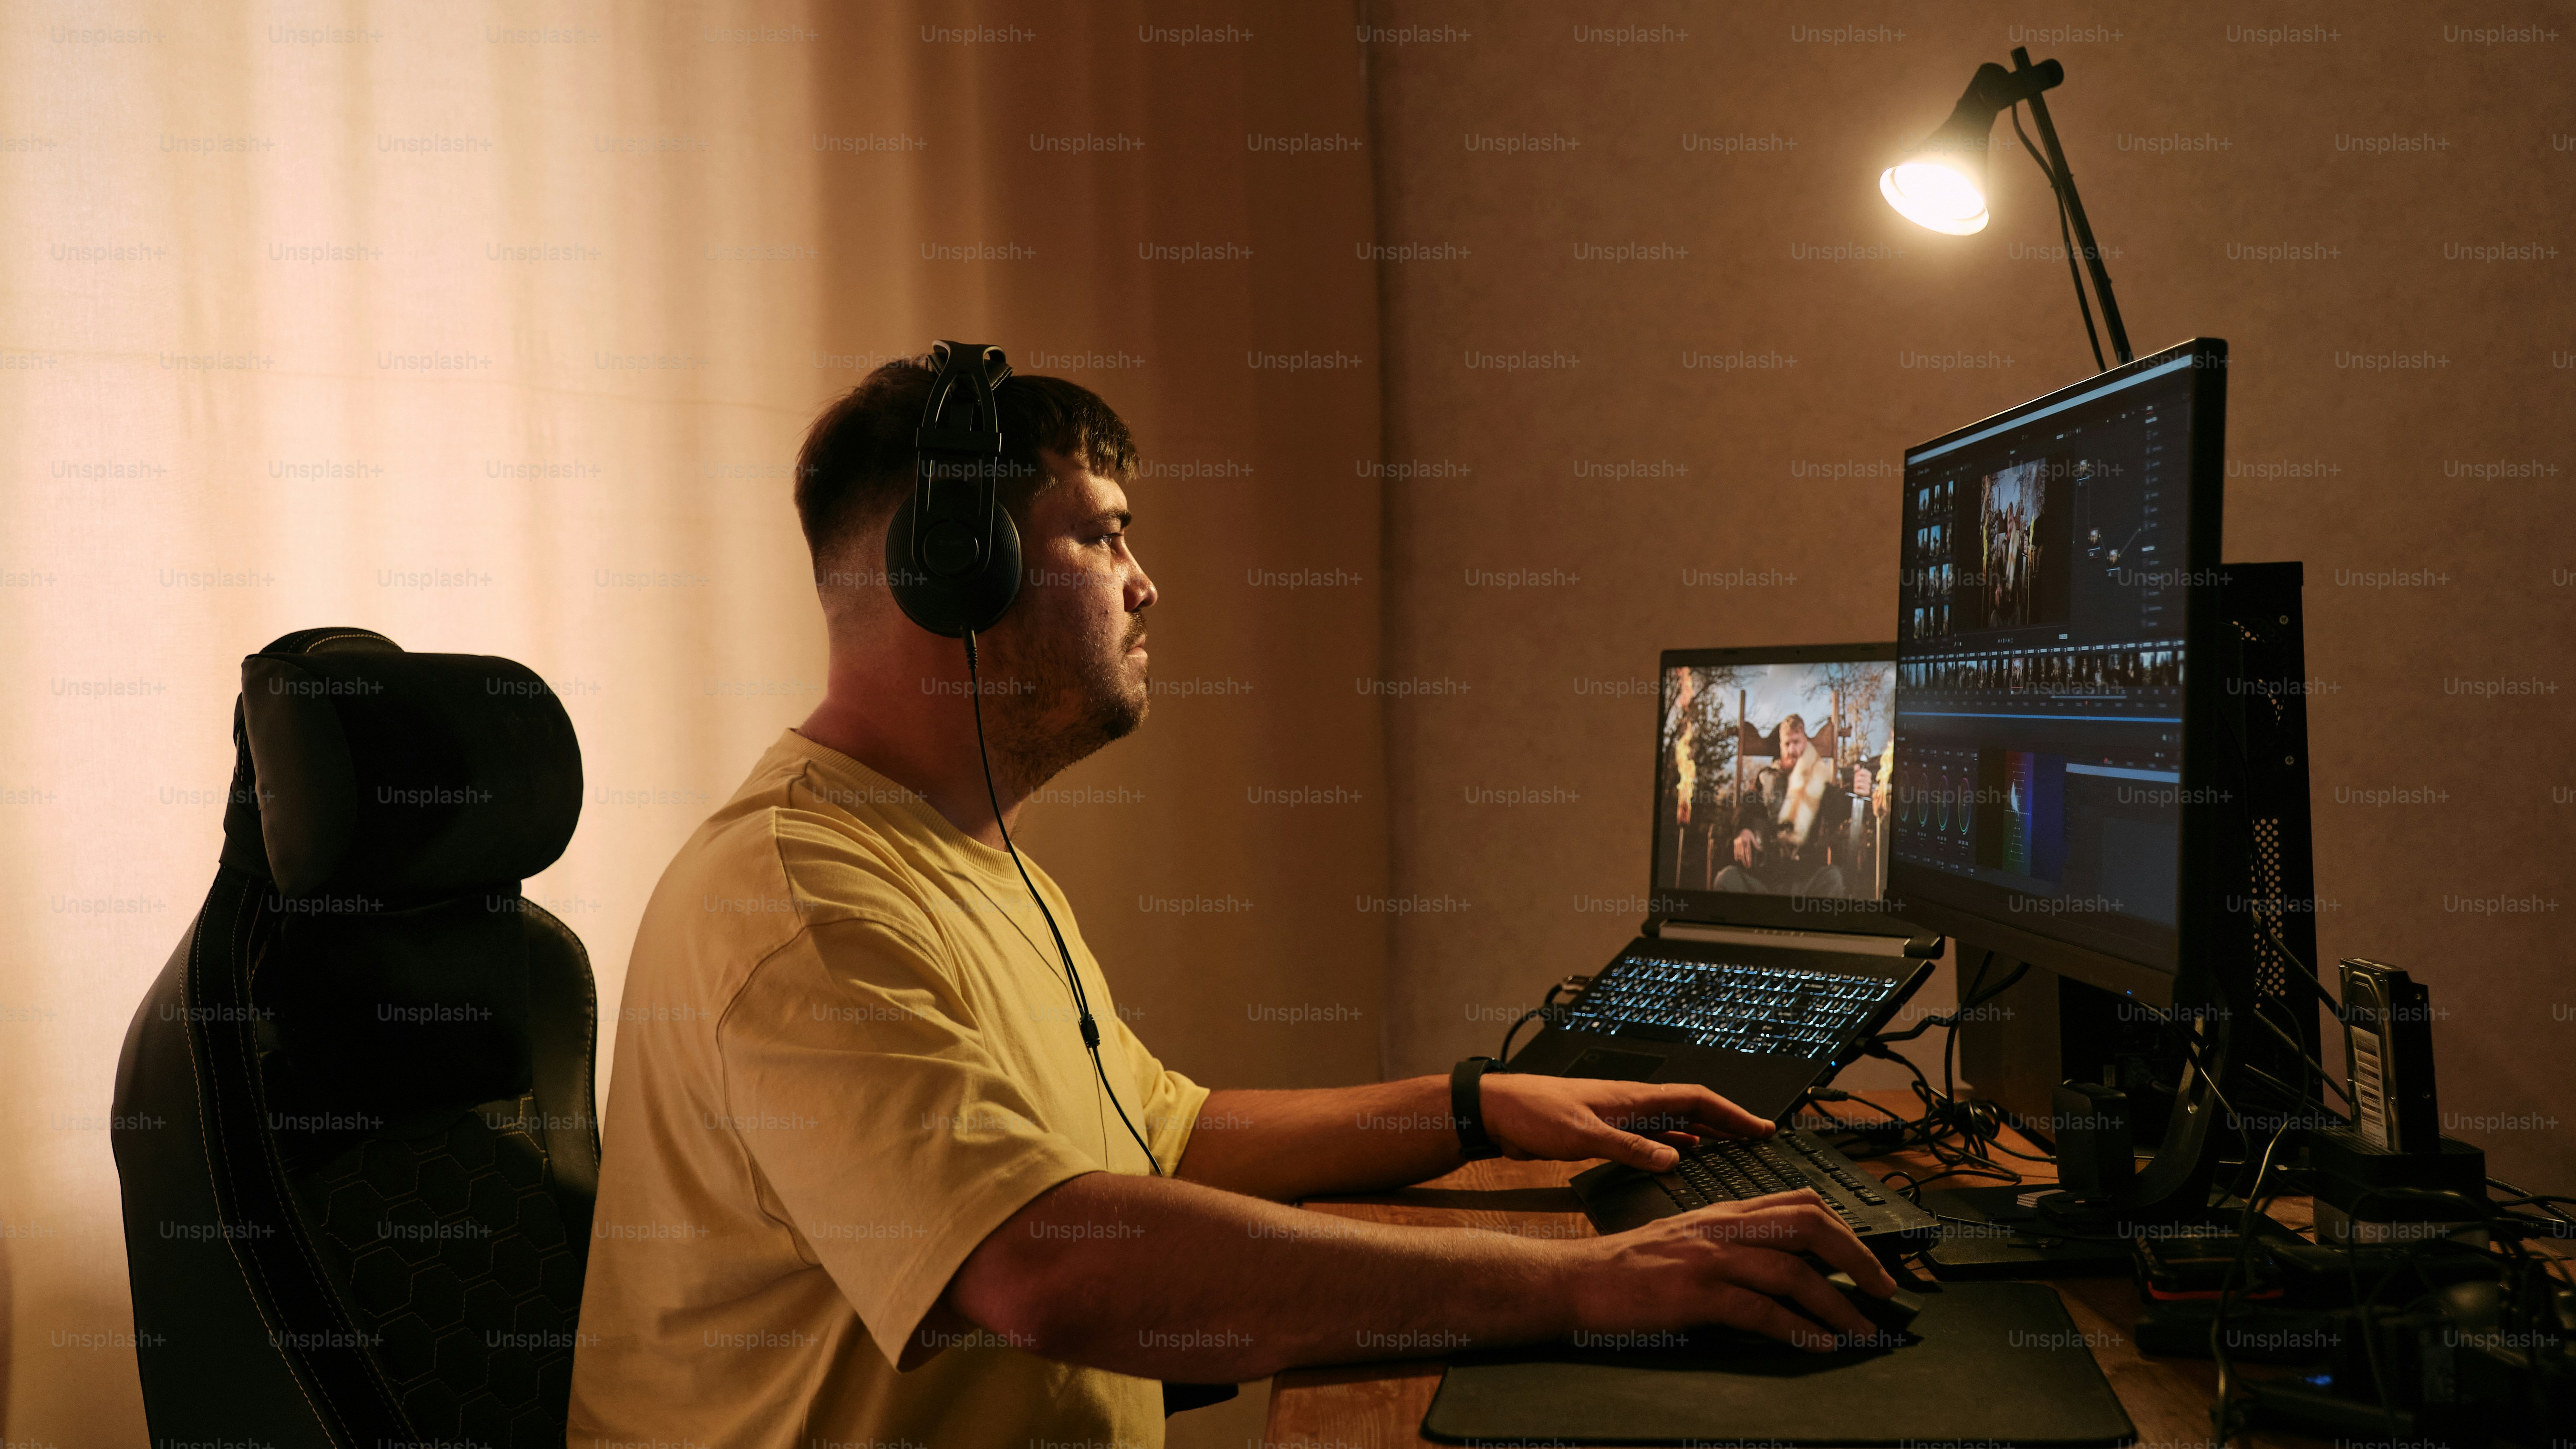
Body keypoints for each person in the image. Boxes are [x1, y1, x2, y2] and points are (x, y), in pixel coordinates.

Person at [567, 357, 1896, 1448]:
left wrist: (1475, 1100)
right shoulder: (796, 901)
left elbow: (1168, 1131)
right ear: (953, 577)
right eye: (1101, 532)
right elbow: (1047, 1263)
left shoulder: (977, 863)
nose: (1147, 585)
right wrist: (1588, 1284)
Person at [1714, 714, 1854, 898]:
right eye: (1786, 744)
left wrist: (1856, 788)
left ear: (1805, 744)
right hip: (1765, 880)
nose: (1792, 749)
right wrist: (1744, 829)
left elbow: (1838, 806)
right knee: (1726, 879)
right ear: (1780, 747)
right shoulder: (1766, 779)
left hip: (1804, 881)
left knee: (1833, 878)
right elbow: (1745, 807)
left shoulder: (1818, 783)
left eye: (1796, 742)